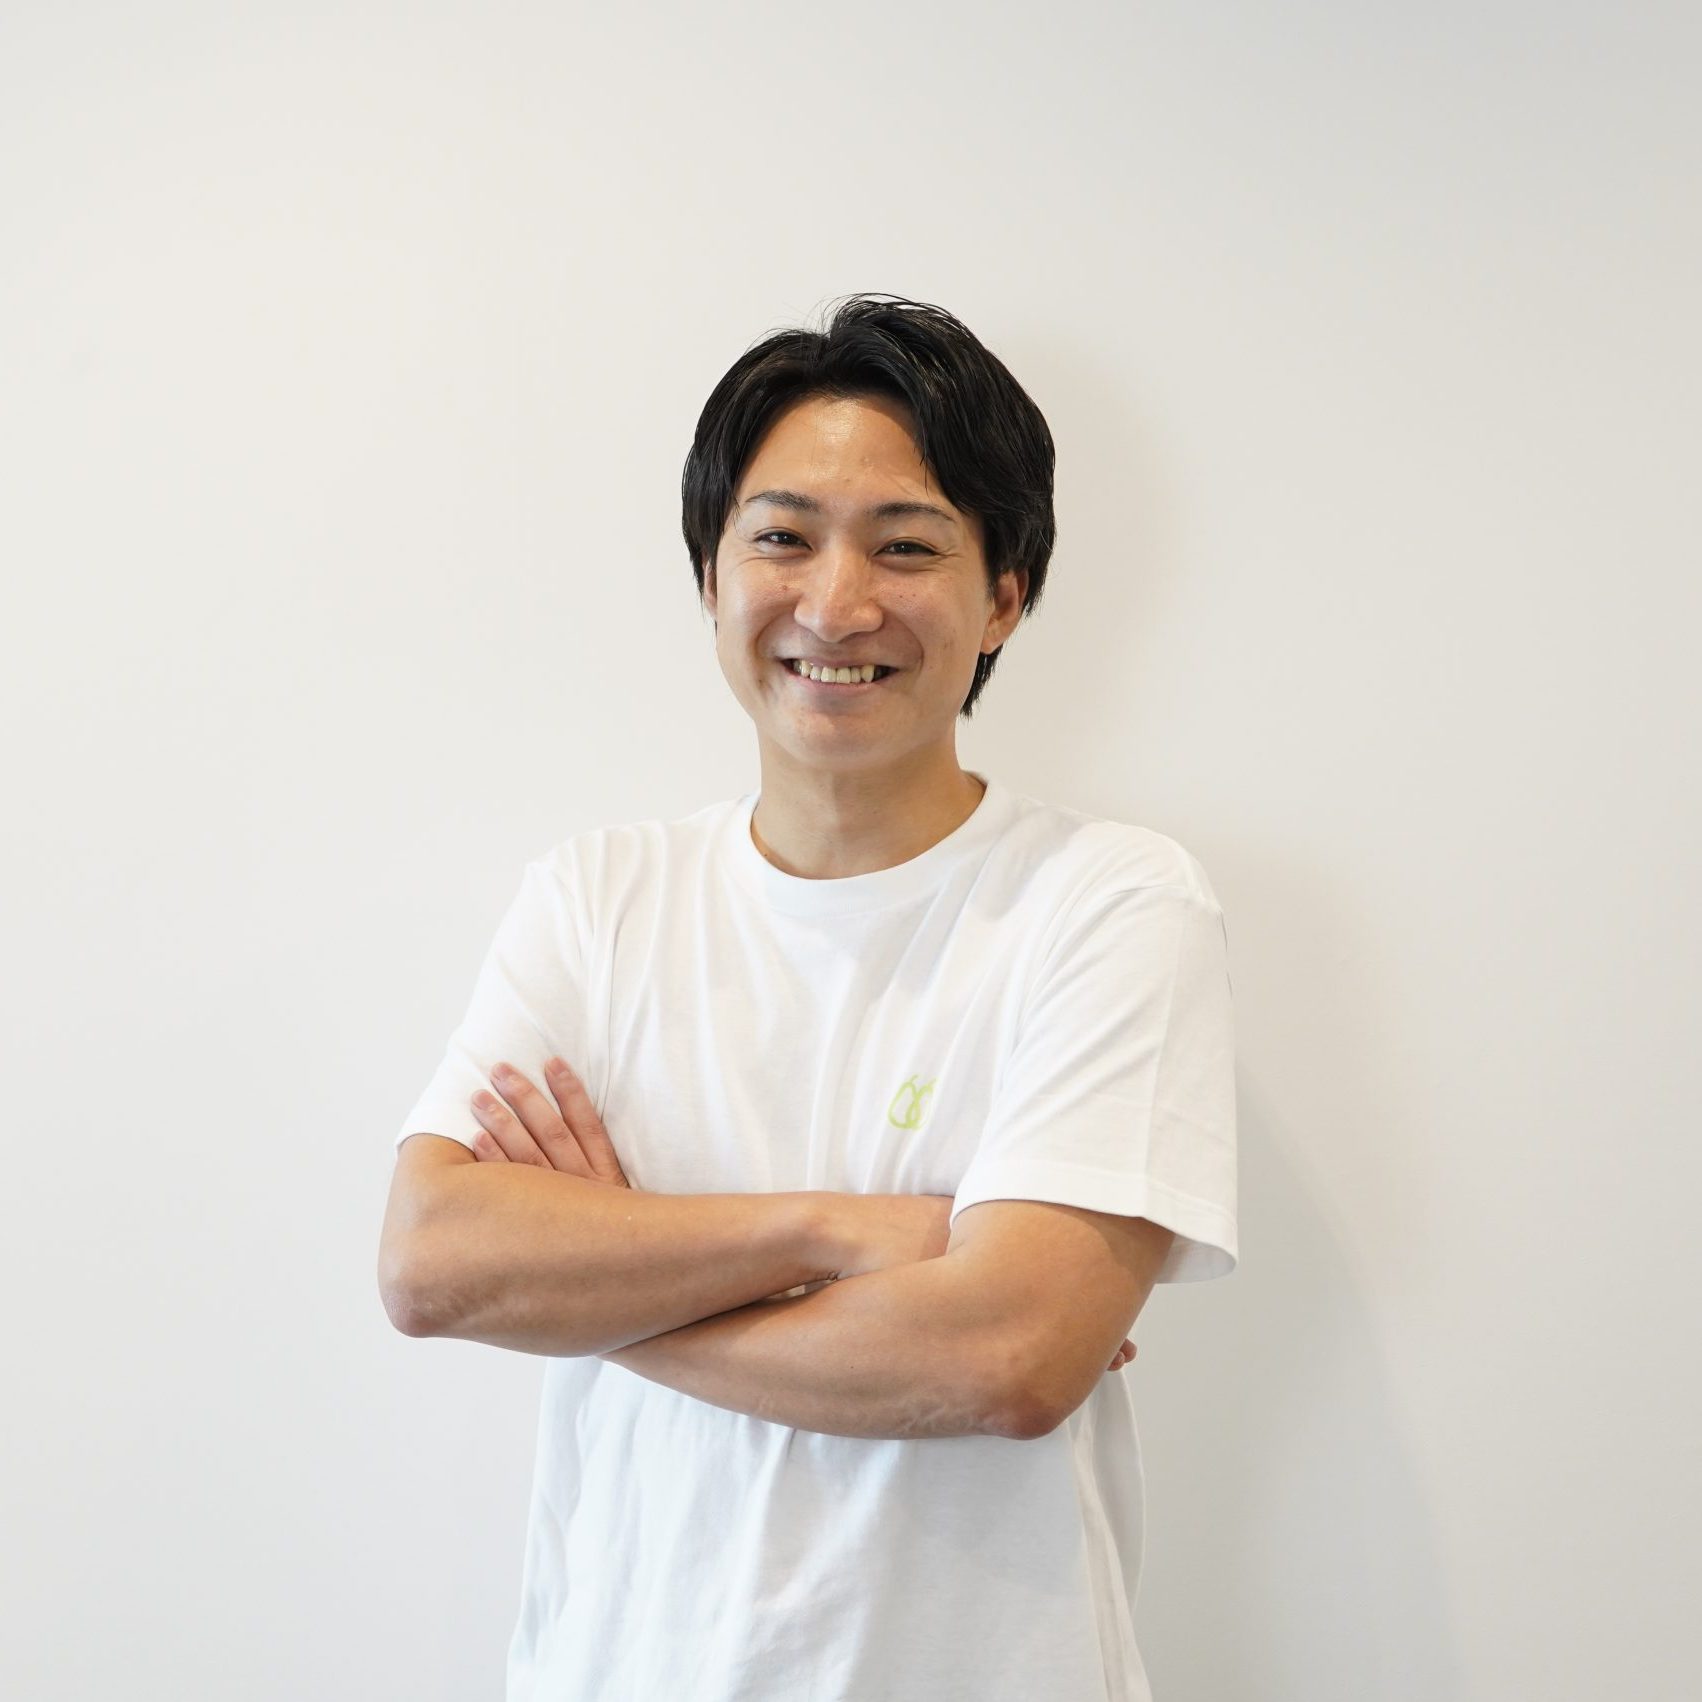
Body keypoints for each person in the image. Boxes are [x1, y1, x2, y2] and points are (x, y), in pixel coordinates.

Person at [378, 293, 1238, 1702]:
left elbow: (1010, 1357)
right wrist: (839, 1233)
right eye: (781, 538)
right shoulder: (597, 897)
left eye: (906, 545)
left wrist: (596, 1287)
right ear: (709, 577)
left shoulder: (1111, 902)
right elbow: (432, 1262)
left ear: (1005, 593)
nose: (835, 605)